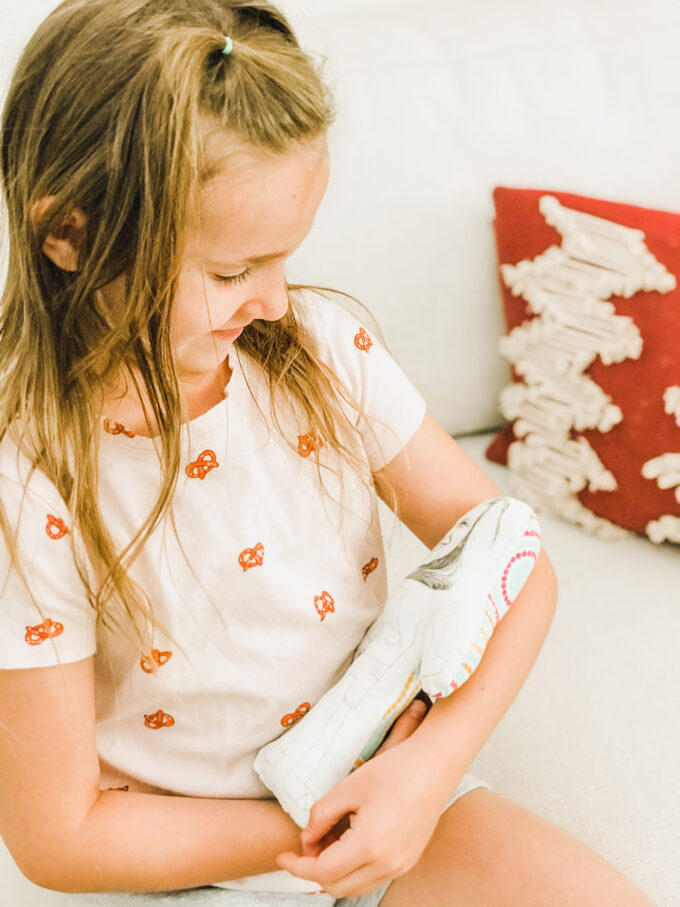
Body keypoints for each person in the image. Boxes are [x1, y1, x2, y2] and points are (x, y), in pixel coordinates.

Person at [0, 2, 653, 905]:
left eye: (284, 258)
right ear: (69, 235)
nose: (273, 300)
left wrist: (424, 777)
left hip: (399, 806)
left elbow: (512, 555)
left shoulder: (317, 348)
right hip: (184, 865)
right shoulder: (27, 482)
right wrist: (324, 827)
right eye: (232, 272)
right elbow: (59, 834)